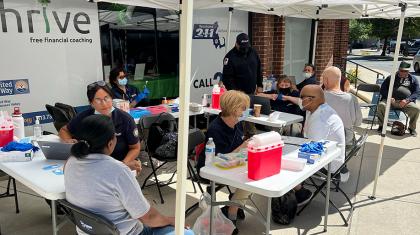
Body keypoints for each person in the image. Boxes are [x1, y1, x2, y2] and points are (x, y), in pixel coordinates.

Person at [64, 115, 193, 235]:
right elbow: (149, 218)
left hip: (88, 231)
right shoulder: (118, 172)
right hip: (127, 232)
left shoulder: (70, 162)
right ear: (110, 143)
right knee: (187, 232)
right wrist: (172, 220)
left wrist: (122, 166)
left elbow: (97, 174)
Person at [59, 81, 141, 172]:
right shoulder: (84, 117)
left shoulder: (125, 119)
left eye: (107, 98)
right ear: (91, 103)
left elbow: (135, 148)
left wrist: (122, 165)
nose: (104, 103)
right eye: (98, 100)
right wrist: (68, 141)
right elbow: (64, 130)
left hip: (118, 164)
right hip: (90, 166)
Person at [301, 85, 345, 173]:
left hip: (328, 164)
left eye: (302, 98)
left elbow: (311, 151)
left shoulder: (322, 118)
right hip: (325, 153)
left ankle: (298, 186)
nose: (300, 101)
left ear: (310, 100)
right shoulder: (317, 108)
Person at [377, 61, 420, 136]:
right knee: (381, 105)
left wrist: (407, 100)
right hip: (390, 100)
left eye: (405, 71)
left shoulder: (413, 79)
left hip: (405, 102)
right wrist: (389, 96)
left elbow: (416, 92)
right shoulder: (391, 77)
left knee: (416, 109)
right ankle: (381, 126)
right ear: (399, 69)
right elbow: (382, 89)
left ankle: (411, 128)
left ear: (408, 71)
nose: (403, 72)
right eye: (401, 70)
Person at [323, 66, 362, 146]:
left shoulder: (319, 97)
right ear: (340, 79)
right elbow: (358, 122)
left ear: (326, 80)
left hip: (324, 140)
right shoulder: (352, 98)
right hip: (346, 141)